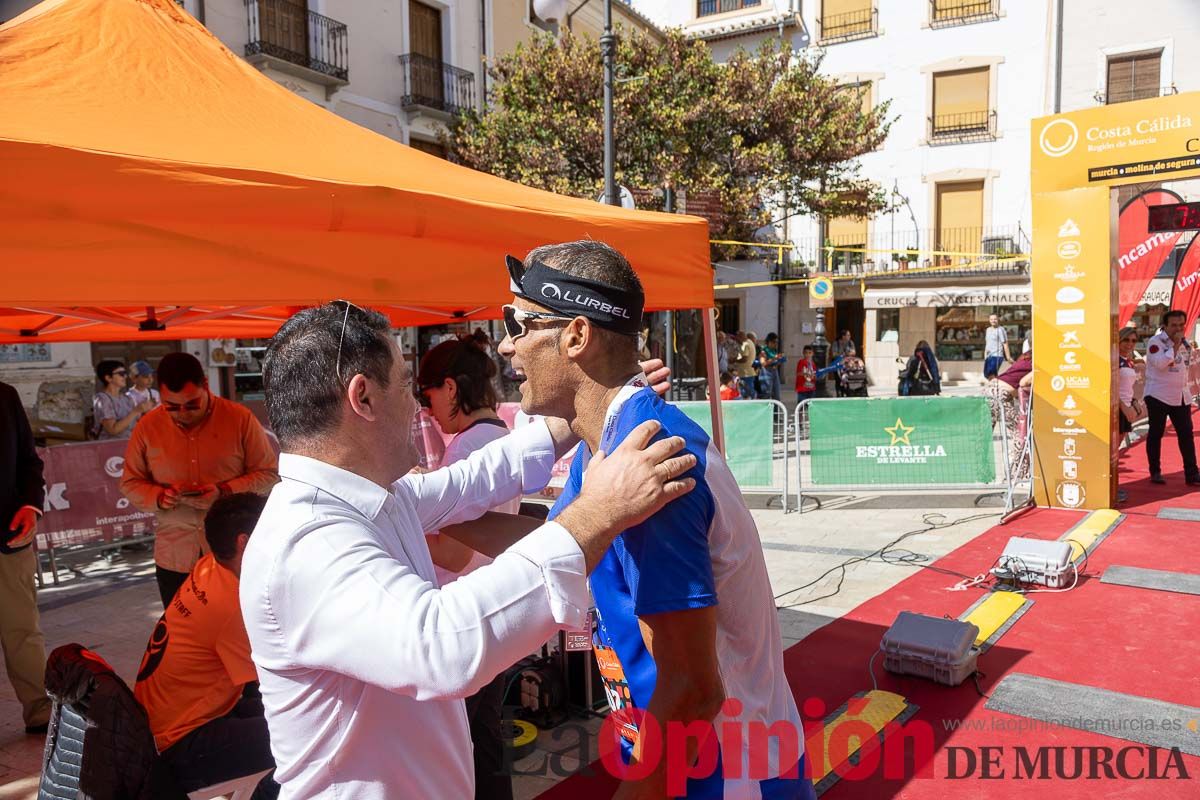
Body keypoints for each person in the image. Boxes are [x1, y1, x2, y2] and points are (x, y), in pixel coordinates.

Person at [239, 300, 696, 799]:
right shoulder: (309, 539)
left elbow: (475, 479)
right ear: (363, 398)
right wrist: (597, 512)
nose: (417, 406)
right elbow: (441, 646)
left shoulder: (371, 497)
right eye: (404, 384)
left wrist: (585, 397)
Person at [500, 242, 812, 799]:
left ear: (575, 335)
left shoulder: (652, 463)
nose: (506, 344)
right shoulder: (611, 450)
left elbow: (693, 689)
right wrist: (423, 523)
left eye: (518, 323)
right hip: (681, 753)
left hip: (725, 770)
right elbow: (562, 541)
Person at [416, 338, 518, 800]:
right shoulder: (502, 439)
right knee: (487, 739)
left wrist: (403, 519)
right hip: (493, 605)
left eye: (428, 395)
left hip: (462, 613)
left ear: (451, 388)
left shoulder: (466, 450)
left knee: (458, 747)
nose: (427, 409)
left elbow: (455, 555)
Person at [136, 493, 278, 799]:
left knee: (287, 718)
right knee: (305, 736)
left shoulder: (209, 567)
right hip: (179, 744)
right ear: (245, 542)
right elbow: (273, 683)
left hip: (171, 724)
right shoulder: (230, 606)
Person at [120, 353, 279, 608]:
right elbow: (130, 482)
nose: (182, 413)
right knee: (181, 641)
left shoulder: (239, 418)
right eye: (171, 406)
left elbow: (269, 474)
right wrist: (161, 497)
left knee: (242, 639)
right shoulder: (147, 426)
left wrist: (224, 490)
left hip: (237, 554)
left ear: (206, 384)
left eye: (191, 404)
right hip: (175, 556)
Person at [0, 380, 52, 734]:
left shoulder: (4, 396)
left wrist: (30, 507)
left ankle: (40, 710)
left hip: (8, 536)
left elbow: (29, 463)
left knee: (23, 631)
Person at [1144, 310, 1200, 485]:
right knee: (1156, 433)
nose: (1178, 328)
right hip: (1158, 395)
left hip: (1180, 396)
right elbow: (1161, 364)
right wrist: (1175, 345)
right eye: (1174, 325)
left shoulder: (1184, 342)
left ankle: (1192, 474)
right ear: (1165, 325)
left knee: (1186, 435)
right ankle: (1155, 471)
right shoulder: (1156, 342)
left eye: (1181, 325)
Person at [986, 348, 1033, 477]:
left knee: (985, 434)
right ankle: (1019, 472)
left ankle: (983, 471)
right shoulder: (1037, 364)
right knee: (1019, 434)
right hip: (1000, 394)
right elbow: (1023, 382)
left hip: (990, 390)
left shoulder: (1024, 360)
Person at [93, 359, 151, 440]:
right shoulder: (102, 399)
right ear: (108, 378)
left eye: (125, 373)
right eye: (121, 374)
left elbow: (135, 424)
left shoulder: (127, 398)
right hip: (109, 449)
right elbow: (113, 430)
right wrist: (136, 411)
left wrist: (145, 411)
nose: (125, 376)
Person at [983, 314, 1011, 381]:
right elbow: (987, 343)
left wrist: (1008, 357)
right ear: (989, 320)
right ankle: (995, 388)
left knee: (991, 374)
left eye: (995, 319)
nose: (993, 321)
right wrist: (985, 355)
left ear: (998, 320)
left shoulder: (1001, 330)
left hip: (997, 355)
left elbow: (1005, 343)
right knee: (986, 374)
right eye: (991, 319)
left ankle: (994, 388)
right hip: (989, 356)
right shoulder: (988, 330)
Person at [759, 332, 784, 401]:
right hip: (766, 373)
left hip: (774, 372)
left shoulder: (774, 350)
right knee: (767, 394)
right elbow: (763, 363)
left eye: (777, 342)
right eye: (774, 342)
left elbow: (774, 362)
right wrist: (774, 358)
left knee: (777, 394)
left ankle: (776, 411)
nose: (776, 344)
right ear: (769, 342)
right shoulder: (764, 351)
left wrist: (779, 360)